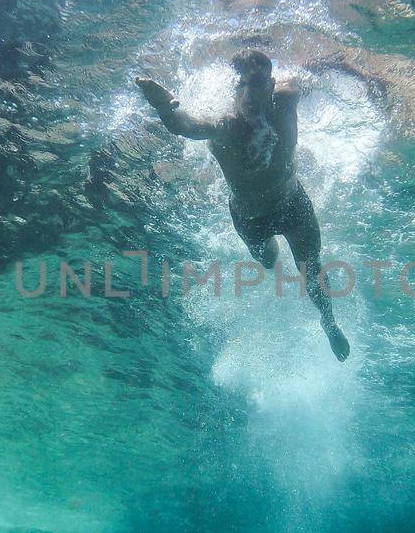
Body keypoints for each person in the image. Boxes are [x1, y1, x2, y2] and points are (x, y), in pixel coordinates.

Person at [135, 51, 351, 361]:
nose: (248, 94)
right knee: (267, 263)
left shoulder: (287, 99)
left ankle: (328, 322)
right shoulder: (223, 124)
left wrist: (344, 64)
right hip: (252, 219)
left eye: (258, 83)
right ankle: (274, 263)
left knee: (311, 266)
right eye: (240, 84)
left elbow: (312, 69)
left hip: (294, 204)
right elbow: (184, 124)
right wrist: (164, 107)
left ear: (271, 84)